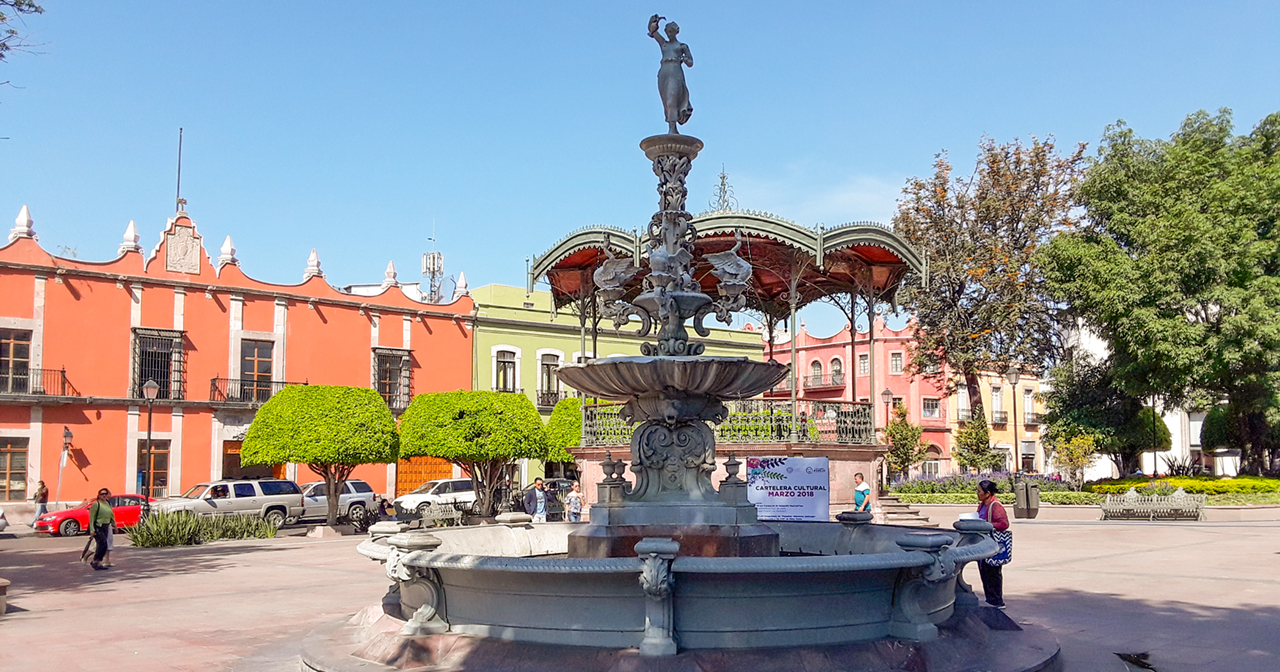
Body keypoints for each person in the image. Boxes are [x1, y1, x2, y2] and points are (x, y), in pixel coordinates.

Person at [976, 479, 1010, 608]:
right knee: (985, 571)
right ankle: (990, 599)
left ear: (988, 493)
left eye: (979, 491)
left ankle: (997, 600)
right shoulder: (983, 505)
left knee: (993, 572)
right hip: (983, 543)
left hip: (992, 544)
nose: (977, 493)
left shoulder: (995, 506)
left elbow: (1004, 524)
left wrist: (987, 525)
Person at [88, 488, 115, 571]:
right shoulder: (96, 504)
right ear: (99, 495)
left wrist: (114, 524)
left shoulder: (107, 503)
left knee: (104, 546)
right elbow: (92, 518)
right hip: (98, 526)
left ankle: (98, 562)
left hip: (106, 526)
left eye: (105, 494)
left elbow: (111, 515)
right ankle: (95, 561)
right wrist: (92, 530)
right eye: (102, 494)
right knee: (101, 545)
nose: (104, 495)